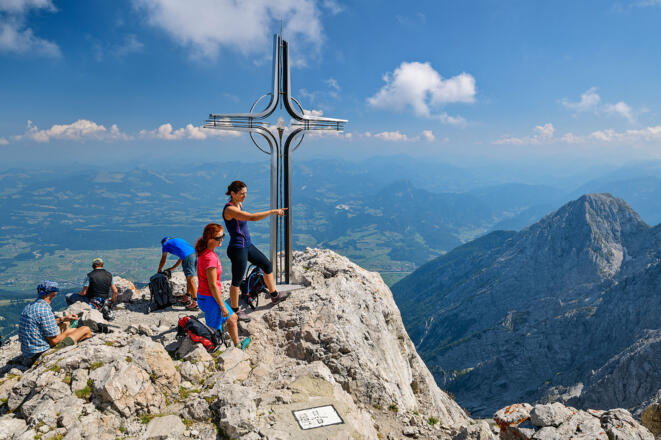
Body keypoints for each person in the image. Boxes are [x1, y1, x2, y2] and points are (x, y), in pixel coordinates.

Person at [223, 180, 290, 322]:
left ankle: (274, 295)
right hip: (237, 249)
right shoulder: (230, 209)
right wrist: (273, 211)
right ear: (233, 194)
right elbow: (251, 217)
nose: (244, 196)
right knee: (237, 280)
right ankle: (235, 311)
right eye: (242, 194)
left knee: (266, 265)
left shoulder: (238, 204)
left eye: (245, 193)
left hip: (247, 245)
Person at [195, 223, 250, 350]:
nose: (222, 240)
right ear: (210, 239)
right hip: (210, 299)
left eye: (223, 236)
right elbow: (213, 285)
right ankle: (216, 354)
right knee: (214, 331)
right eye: (219, 238)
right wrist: (222, 305)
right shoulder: (210, 258)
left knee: (233, 318)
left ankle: (237, 346)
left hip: (205, 297)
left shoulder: (205, 252)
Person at [19, 281, 92, 366]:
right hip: (39, 354)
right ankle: (82, 345)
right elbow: (54, 341)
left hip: (28, 352)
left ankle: (76, 337)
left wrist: (63, 319)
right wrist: (68, 332)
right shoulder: (44, 310)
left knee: (66, 323)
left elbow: (42, 324)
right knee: (85, 329)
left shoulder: (30, 306)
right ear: (54, 293)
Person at [159, 237, 198, 310]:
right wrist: (172, 268)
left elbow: (163, 259)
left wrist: (159, 269)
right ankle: (187, 297)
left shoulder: (165, 244)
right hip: (195, 255)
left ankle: (195, 303)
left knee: (191, 279)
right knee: (189, 279)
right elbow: (181, 259)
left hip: (188, 258)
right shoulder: (178, 241)